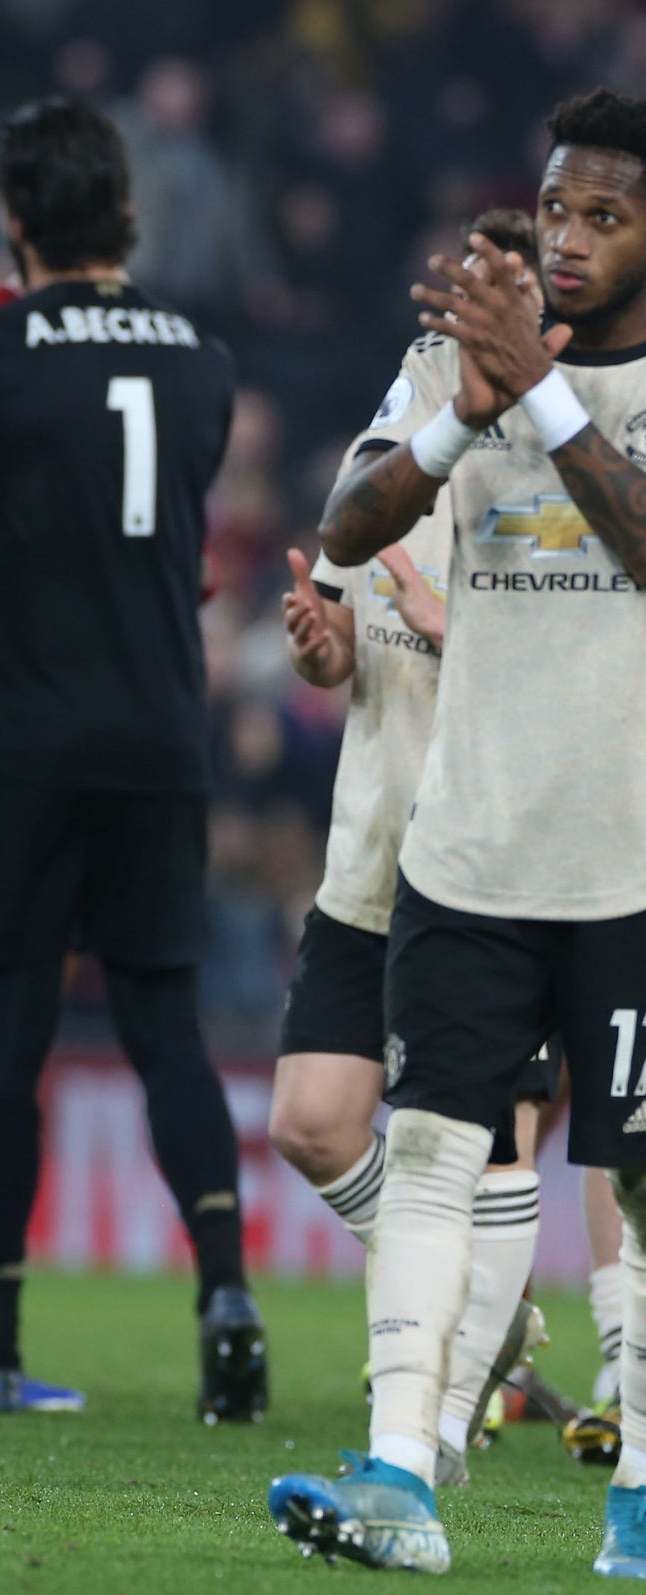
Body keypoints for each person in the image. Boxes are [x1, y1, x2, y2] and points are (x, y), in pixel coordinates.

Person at [265, 88, 646, 1579]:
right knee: (429, 1149)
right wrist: (461, 410)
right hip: (470, 839)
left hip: (643, 851)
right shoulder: (456, 359)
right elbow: (350, 527)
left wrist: (538, 398)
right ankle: (401, 1475)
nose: (566, 239)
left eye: (603, 216)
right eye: (555, 208)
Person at [271, 211, 565, 1486]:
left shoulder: (575, 462)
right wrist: (322, 648)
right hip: (374, 850)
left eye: (495, 296)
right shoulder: (394, 443)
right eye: (457, 295)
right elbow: (338, 626)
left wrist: (466, 628)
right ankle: (487, 1307)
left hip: (511, 864)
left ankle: (434, 1420)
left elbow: (607, 672)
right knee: (313, 1121)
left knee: (484, 1144)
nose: (463, 317)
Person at [0, 95, 265, 1423]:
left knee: (14, 1029)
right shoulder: (200, 359)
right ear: (123, 212)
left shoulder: (9, 351)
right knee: (165, 1025)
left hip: (28, 733)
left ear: (15, 221)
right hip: (163, 730)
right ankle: (227, 1288)